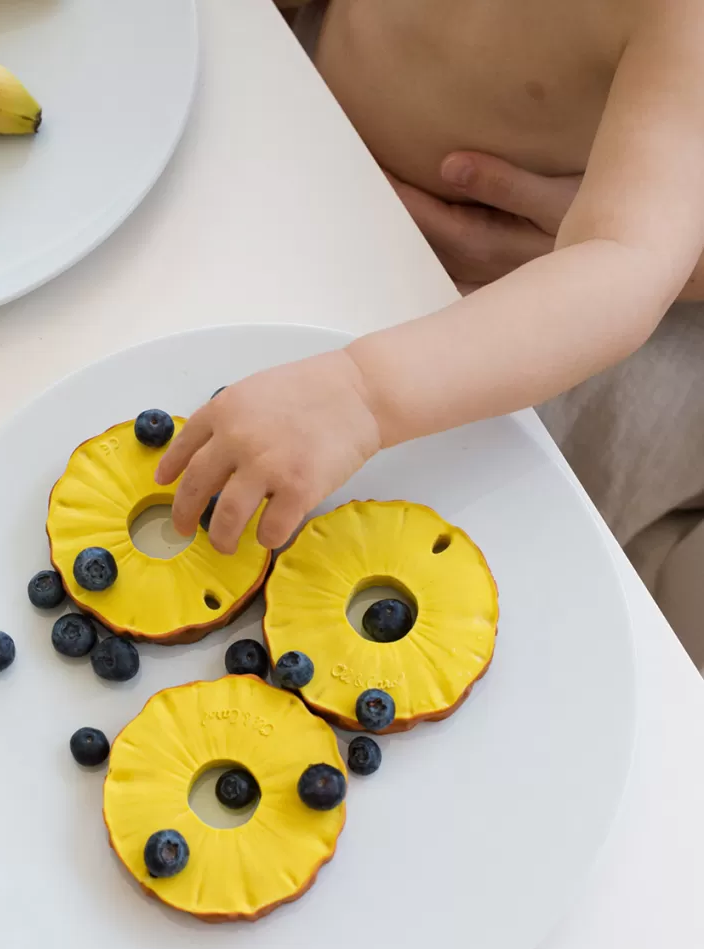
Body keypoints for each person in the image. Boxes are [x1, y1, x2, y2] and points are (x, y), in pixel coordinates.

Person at [157, 0, 704, 668]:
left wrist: (364, 394)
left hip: (473, 309)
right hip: (289, 143)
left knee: (419, 551)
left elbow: (624, 263)